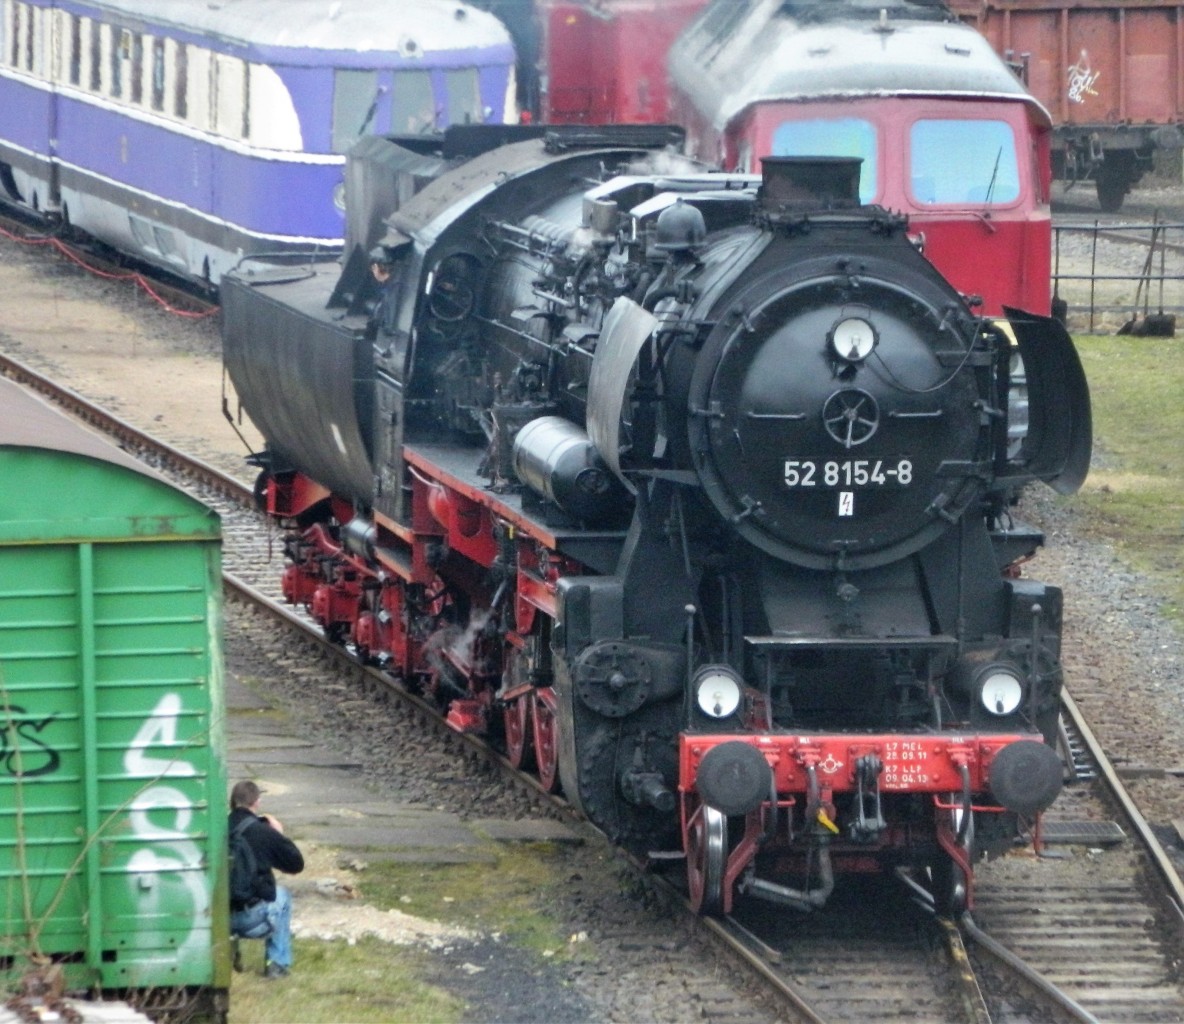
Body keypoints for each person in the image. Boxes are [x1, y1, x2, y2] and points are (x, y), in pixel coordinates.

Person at [228, 780, 305, 979]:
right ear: (257, 802)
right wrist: (279, 835)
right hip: (250, 919)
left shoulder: (220, 829)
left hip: (218, 918)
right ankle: (276, 963)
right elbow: (296, 864)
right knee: (283, 896)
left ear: (232, 802)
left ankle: (230, 954)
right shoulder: (263, 832)